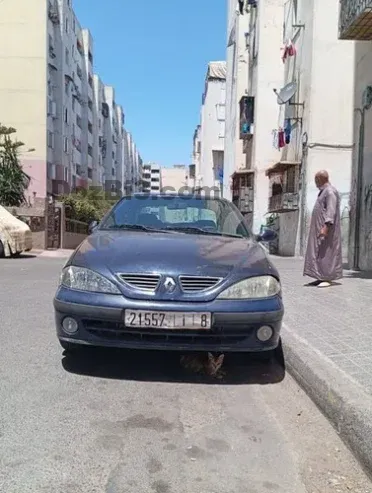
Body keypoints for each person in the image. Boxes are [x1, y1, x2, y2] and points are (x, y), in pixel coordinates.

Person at [303, 170, 343, 287]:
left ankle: (327, 277)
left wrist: (326, 227)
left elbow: (331, 211)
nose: (315, 182)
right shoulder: (323, 192)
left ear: (320, 179)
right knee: (319, 252)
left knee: (327, 253)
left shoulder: (330, 192)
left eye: (316, 180)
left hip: (327, 230)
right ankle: (320, 276)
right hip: (319, 229)